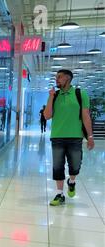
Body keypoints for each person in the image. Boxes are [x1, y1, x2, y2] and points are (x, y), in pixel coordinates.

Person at [43, 69, 95, 206]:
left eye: (59, 77)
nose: (57, 79)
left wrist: (90, 136)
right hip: (57, 136)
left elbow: (85, 116)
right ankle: (59, 194)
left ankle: (71, 182)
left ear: (68, 78)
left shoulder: (80, 94)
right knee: (58, 166)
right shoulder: (56, 95)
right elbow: (47, 116)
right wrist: (51, 97)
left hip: (75, 137)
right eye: (56, 77)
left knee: (75, 165)